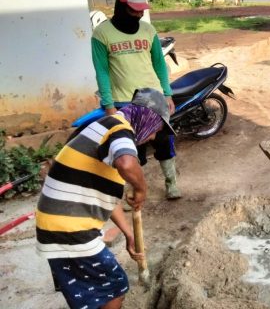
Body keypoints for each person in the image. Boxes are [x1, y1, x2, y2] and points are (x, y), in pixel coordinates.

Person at [35, 88, 175, 309]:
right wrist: (142, 189)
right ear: (147, 118)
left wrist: (129, 234)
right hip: (70, 231)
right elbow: (127, 164)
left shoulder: (104, 129)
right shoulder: (118, 128)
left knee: (89, 295)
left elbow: (107, 198)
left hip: (58, 228)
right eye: (156, 129)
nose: (153, 136)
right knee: (115, 287)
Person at [91, 0, 181, 200]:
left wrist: (167, 93)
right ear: (121, 8)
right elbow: (101, 72)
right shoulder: (102, 34)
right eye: (134, 10)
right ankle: (135, 190)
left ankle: (171, 184)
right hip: (123, 103)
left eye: (142, 10)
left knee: (164, 143)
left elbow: (159, 64)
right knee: (130, 149)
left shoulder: (148, 30)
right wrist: (109, 105)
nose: (139, 14)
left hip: (154, 98)